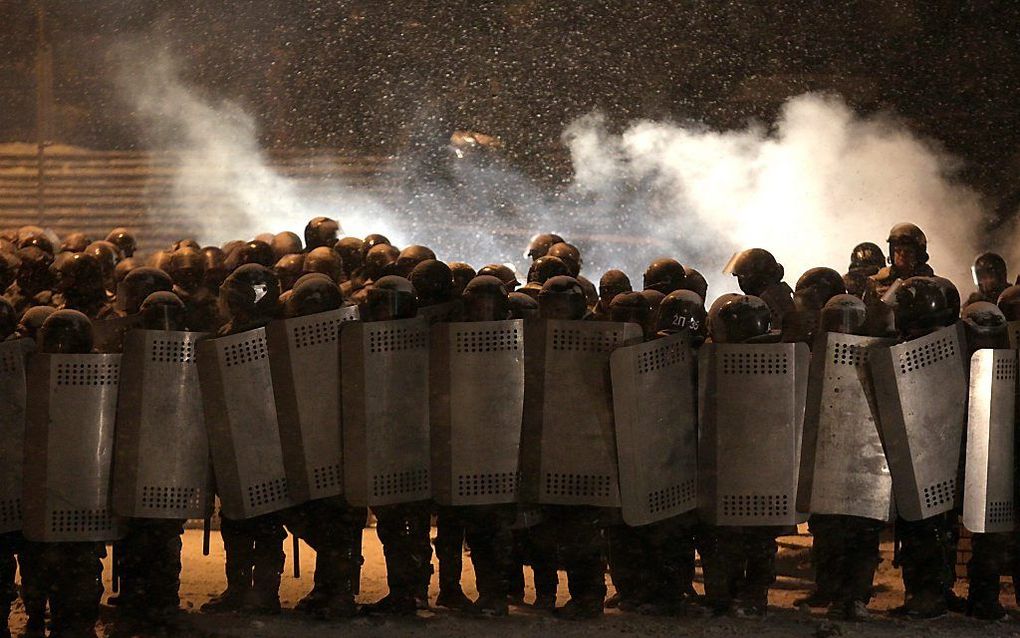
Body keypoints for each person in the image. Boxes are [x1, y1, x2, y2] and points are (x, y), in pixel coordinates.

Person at [202, 265, 288, 614]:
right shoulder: (229, 331)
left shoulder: (273, 333)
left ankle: (265, 592)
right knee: (237, 517)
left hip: (266, 435)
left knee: (265, 519)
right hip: (236, 435)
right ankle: (239, 588)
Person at [279, 277, 366, 619]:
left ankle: (339, 594)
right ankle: (327, 588)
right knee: (314, 520)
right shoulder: (292, 335)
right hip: (312, 440)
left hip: (343, 443)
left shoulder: (353, 333)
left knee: (339, 527)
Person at [432, 275, 518, 616]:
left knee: (488, 532)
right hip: (455, 439)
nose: (484, 309)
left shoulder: (513, 337)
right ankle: (449, 589)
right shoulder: (450, 337)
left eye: (490, 303)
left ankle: (492, 595)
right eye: (478, 303)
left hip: (493, 446)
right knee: (451, 529)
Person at [798, 294, 887, 621]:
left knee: (859, 534)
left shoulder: (879, 356)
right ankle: (834, 592)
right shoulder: (815, 357)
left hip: (866, 462)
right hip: (829, 458)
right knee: (831, 532)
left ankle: (853, 597)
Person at [18, 310, 106, 638]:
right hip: (84, 499)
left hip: (48, 498)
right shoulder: (104, 373)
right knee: (79, 571)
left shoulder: (35, 375)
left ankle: (52, 617)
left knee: (45, 566)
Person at [700, 294, 781, 618]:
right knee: (749, 537)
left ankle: (748, 595)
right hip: (747, 462)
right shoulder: (777, 357)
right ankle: (738, 595)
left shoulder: (777, 360)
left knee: (750, 537)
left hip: (749, 461)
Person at [360, 276, 433, 615]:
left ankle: (411, 592)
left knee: (411, 526)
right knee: (393, 526)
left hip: (414, 444)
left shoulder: (425, 337)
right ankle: (405, 592)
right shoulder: (365, 340)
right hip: (385, 443)